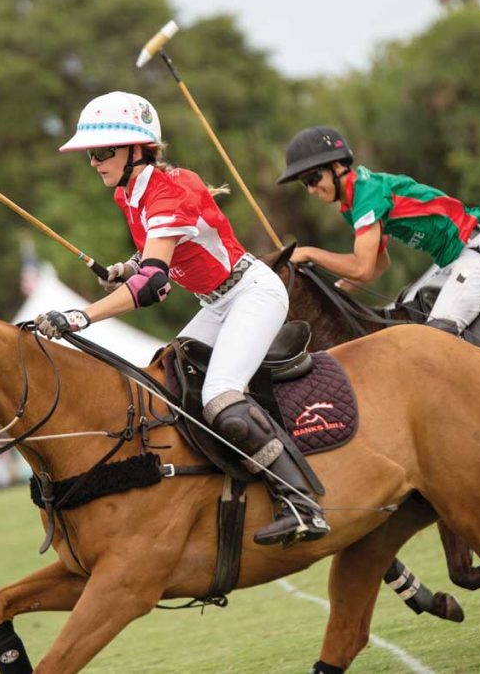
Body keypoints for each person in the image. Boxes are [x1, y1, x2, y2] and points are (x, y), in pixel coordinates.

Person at [34, 92, 328, 546]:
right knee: (166, 380)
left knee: (219, 395)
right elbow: (158, 255)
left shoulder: (167, 190)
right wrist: (129, 267)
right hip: (214, 303)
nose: (93, 162)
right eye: (89, 154)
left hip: (252, 293)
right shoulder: (127, 194)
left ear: (137, 149)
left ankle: (302, 503)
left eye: (101, 151)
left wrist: (80, 316)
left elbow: (153, 285)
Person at [277, 126, 480, 337]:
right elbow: (379, 264)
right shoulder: (354, 201)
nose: (311, 189)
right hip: (451, 261)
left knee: (438, 337)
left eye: (313, 178)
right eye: (304, 183)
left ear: (337, 167)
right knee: (404, 323)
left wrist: (308, 253)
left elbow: (362, 268)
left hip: (475, 250)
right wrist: (332, 294)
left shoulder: (367, 196)